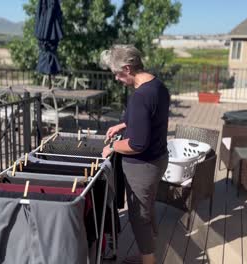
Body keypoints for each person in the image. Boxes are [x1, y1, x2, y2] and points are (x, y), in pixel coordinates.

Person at [100, 45, 170, 264]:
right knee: (146, 209)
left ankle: (147, 261)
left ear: (127, 68)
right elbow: (150, 118)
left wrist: (113, 147)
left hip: (143, 165)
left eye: (117, 74)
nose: (117, 79)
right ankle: (149, 248)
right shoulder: (157, 85)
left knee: (138, 217)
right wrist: (123, 124)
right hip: (158, 159)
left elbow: (137, 144)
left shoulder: (140, 96)